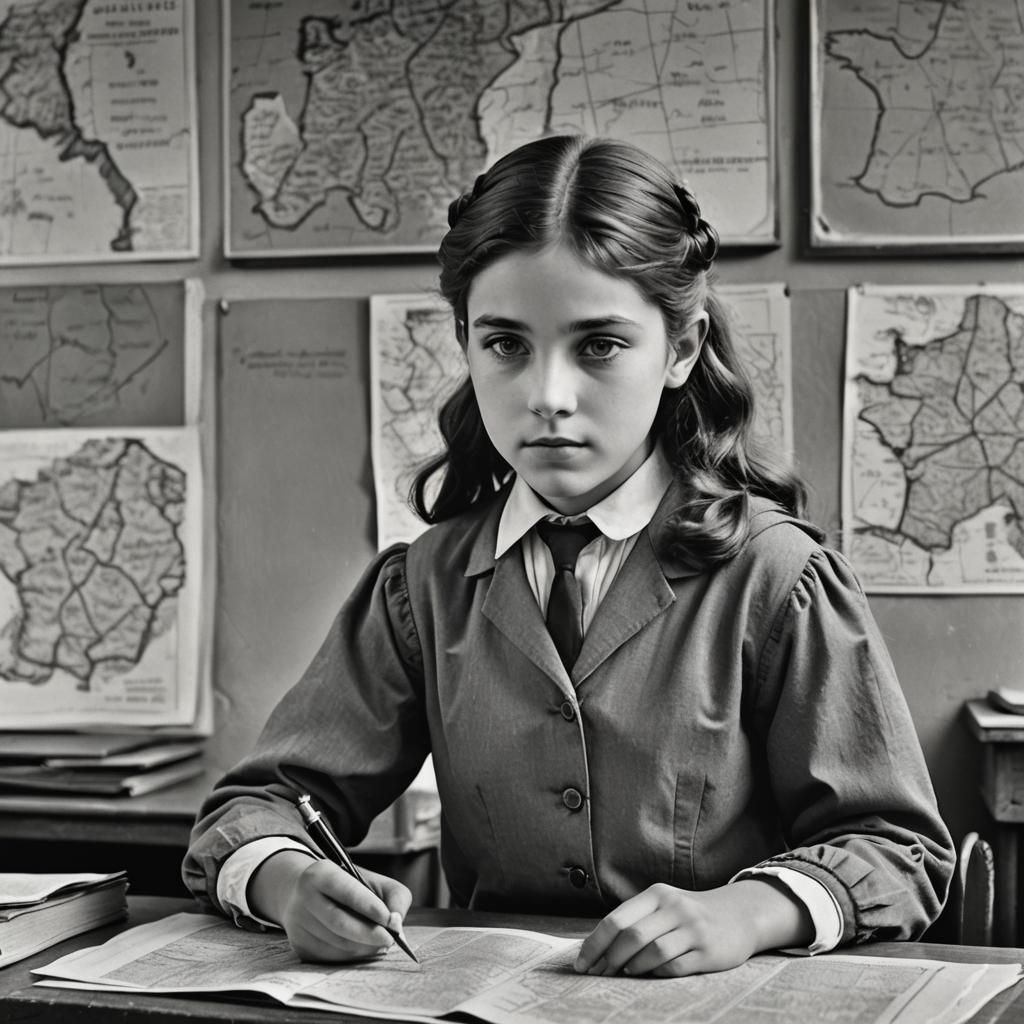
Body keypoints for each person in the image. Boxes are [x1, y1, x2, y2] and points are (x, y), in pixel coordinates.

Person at [184, 134, 954, 978]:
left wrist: (745, 913)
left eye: (598, 346)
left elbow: (897, 851)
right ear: (466, 341)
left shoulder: (779, 580)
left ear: (683, 349)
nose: (547, 397)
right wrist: (291, 882)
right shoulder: (422, 585)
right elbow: (257, 807)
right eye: (506, 345)